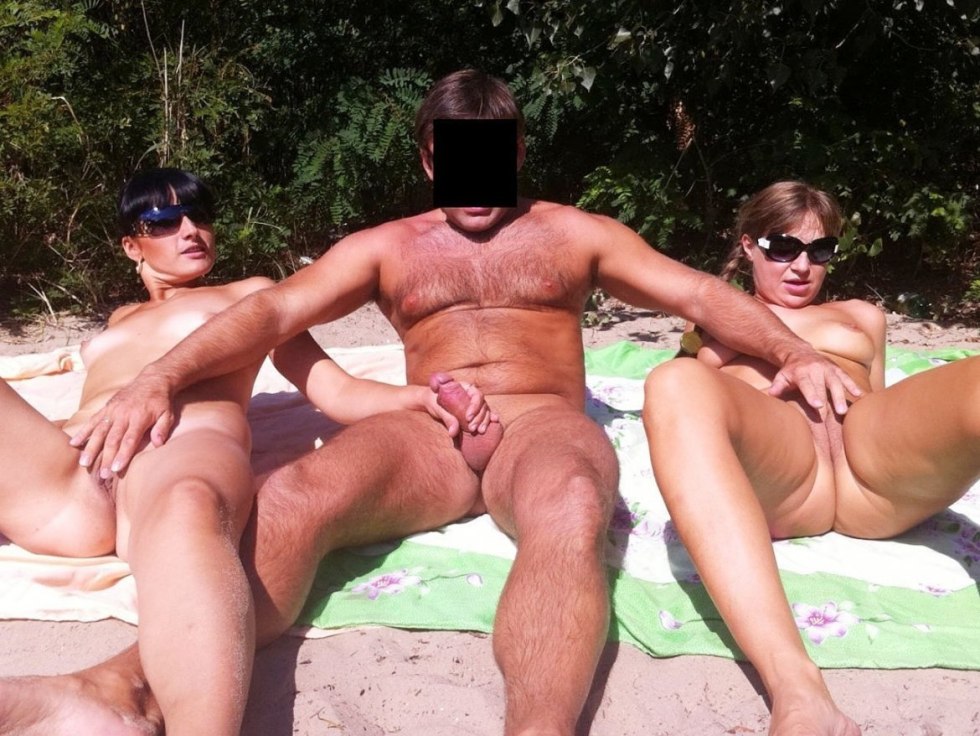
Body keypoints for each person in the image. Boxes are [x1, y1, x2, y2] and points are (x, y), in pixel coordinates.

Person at [13, 72, 857, 736]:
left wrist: (794, 350)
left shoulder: (577, 233)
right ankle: (127, 683)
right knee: (297, 493)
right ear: (427, 161)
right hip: (429, 432)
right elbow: (271, 313)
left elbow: (699, 295)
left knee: (571, 503)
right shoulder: (388, 248)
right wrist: (158, 378)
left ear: (516, 151)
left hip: (538, 425)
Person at [0, 168, 492, 736]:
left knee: (189, 502)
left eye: (200, 215)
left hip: (174, 447)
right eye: (165, 220)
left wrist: (417, 398)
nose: (190, 230)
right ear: (132, 246)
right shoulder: (118, 319)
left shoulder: (250, 294)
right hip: (70, 480)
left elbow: (332, 388)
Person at [642, 180, 980, 736]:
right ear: (748, 246)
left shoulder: (862, 316)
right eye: (782, 248)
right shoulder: (715, 320)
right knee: (672, 383)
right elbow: (691, 423)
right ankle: (798, 691)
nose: (801, 266)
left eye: (819, 250)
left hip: (873, 475)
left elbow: (881, 400)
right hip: (789, 479)